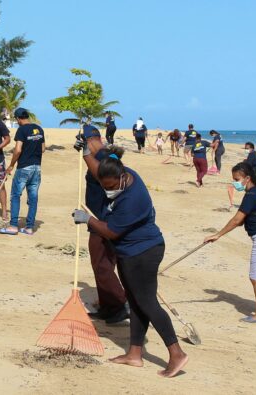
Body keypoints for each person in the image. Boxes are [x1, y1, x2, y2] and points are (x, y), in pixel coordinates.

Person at [71, 149, 188, 377]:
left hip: (143, 252)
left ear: (122, 177)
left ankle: (176, 353)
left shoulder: (133, 199)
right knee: (134, 302)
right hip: (128, 252)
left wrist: (89, 220)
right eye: (105, 186)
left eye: (111, 186)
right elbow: (97, 171)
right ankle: (134, 354)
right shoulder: (120, 173)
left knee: (147, 303)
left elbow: (112, 232)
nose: (108, 190)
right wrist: (86, 153)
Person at [205, 162, 256, 323]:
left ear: (247, 178)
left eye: (237, 179)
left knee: (255, 277)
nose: (235, 182)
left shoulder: (251, 196)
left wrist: (218, 235)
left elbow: (237, 219)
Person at [73, 124, 129, 324]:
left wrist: (87, 155)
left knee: (102, 265)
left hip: (104, 220)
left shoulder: (106, 157)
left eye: (85, 141)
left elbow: (103, 175)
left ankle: (121, 304)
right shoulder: (102, 156)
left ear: (91, 139)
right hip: (98, 217)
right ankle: (108, 307)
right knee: (103, 264)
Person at [0, 108, 44, 235]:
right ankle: (29, 227)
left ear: (18, 119)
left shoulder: (21, 130)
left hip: (24, 167)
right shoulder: (39, 129)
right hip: (37, 167)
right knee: (33, 197)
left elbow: (18, 149)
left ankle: (13, 226)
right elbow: (43, 148)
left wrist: (11, 165)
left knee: (15, 195)